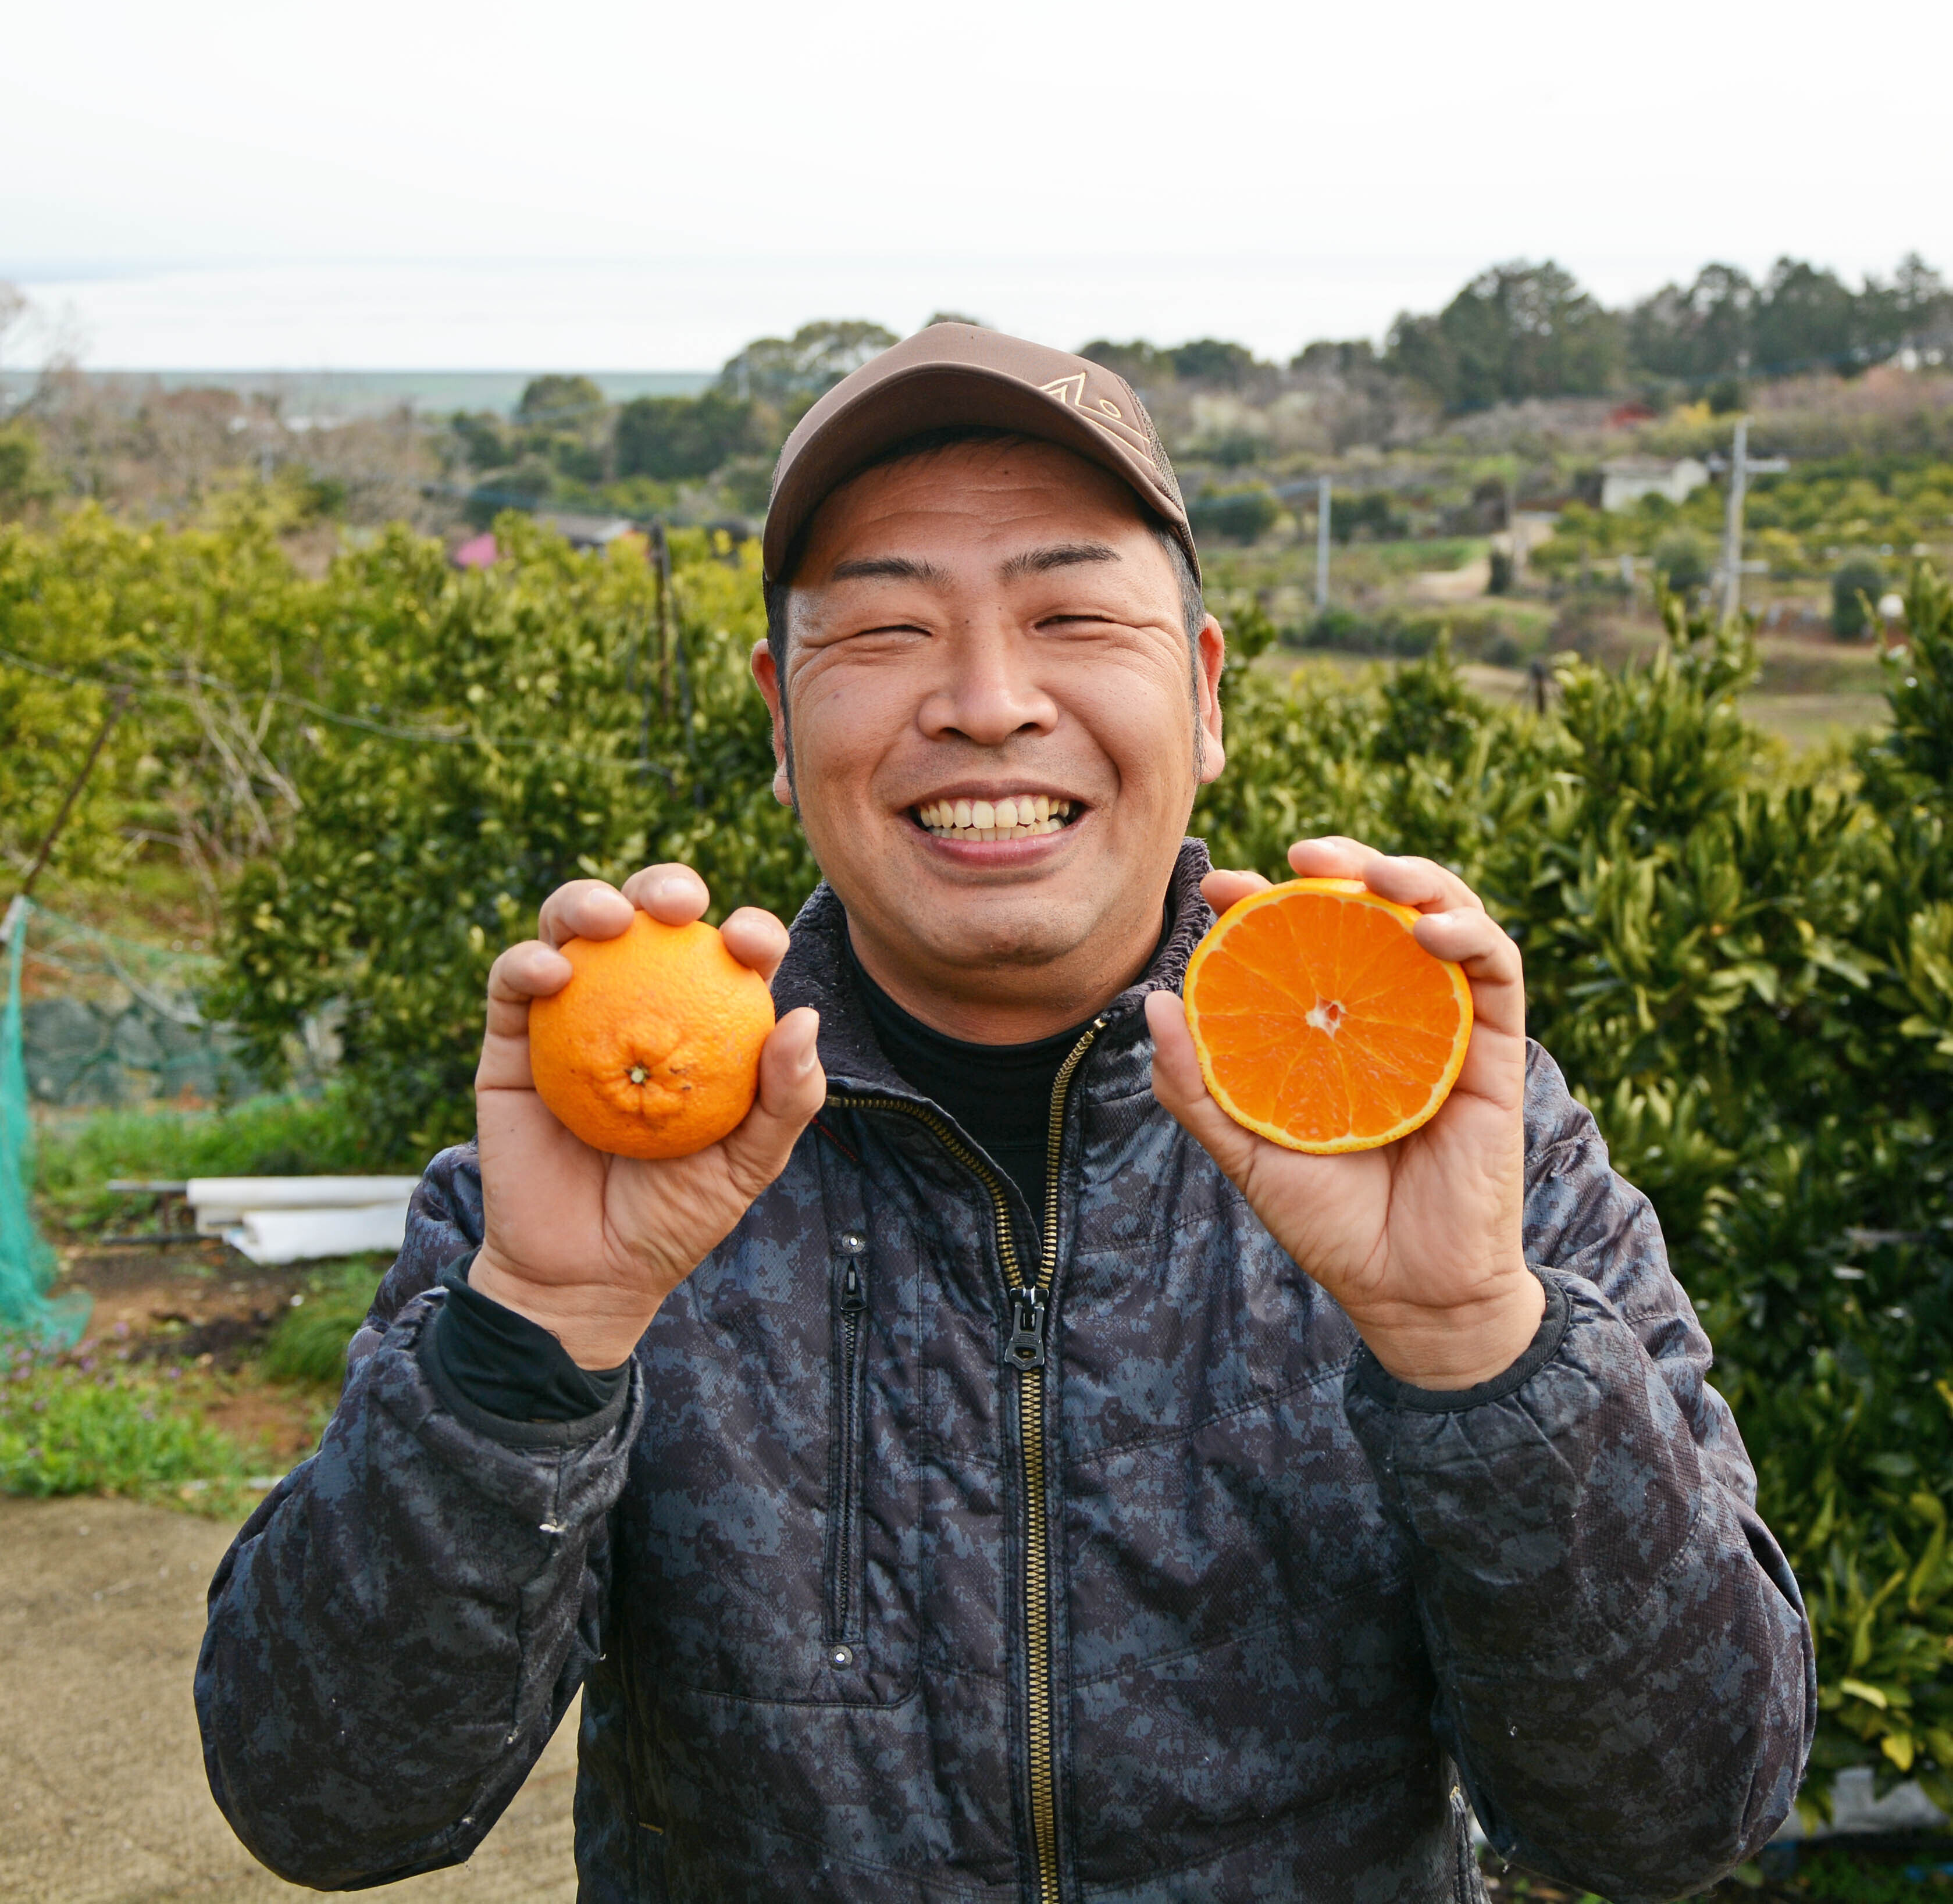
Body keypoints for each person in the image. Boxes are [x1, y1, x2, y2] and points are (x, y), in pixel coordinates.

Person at [197, 325, 1813, 1902]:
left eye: (1070, 615)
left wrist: (1477, 1348)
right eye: (887, 633)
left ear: (1204, 691)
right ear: (779, 714)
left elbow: (1678, 1818)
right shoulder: (617, 1157)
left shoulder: (1447, 1128)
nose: (984, 701)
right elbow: (330, 1806)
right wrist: (533, 1338)